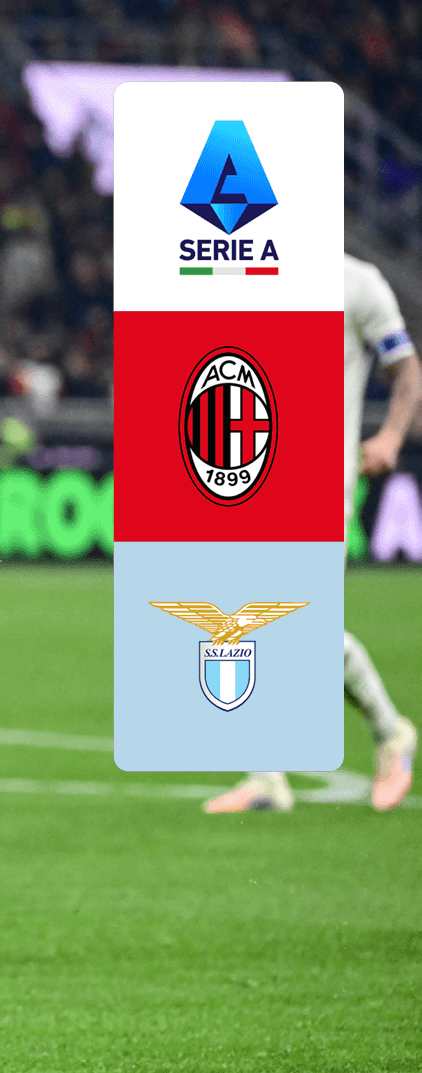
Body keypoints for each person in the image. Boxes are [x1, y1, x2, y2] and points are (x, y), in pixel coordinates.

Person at [205, 252, 420, 813]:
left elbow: (405, 368)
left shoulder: (358, 283)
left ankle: (389, 733)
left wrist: (391, 436)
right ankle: (270, 774)